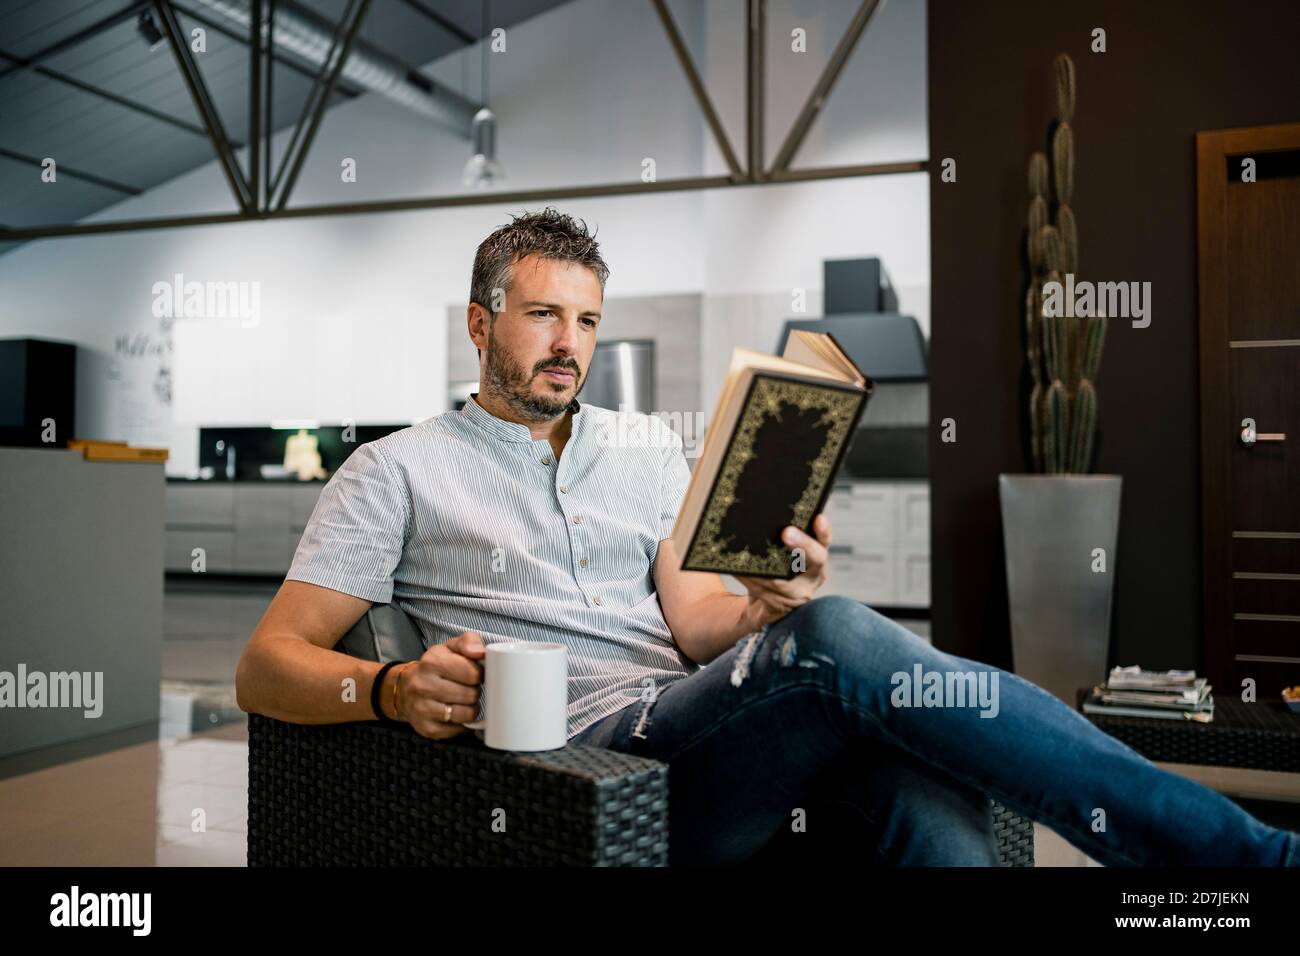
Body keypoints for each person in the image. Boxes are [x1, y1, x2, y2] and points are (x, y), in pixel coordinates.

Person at [235, 208, 1299, 867]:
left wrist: (766, 607)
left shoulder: (642, 450)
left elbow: (701, 627)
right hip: (596, 764)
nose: (571, 345)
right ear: (480, 323)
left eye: (589, 321)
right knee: (846, 649)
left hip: (704, 719)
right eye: (543, 316)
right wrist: (382, 689)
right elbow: (264, 663)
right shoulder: (397, 469)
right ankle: (1243, 858)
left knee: (898, 757)